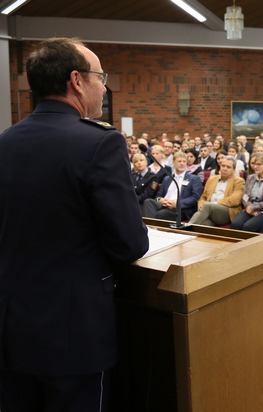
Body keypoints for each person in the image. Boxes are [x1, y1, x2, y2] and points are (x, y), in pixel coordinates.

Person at [0, 37, 149, 411]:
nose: (104, 86)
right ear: (76, 81)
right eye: (101, 77)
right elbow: (130, 244)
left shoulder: (5, 143)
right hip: (73, 333)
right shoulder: (99, 143)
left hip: (10, 327)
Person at [142, 151, 203, 221]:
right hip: (164, 205)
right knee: (148, 202)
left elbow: (195, 198)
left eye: (184, 161)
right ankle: (150, 228)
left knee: (161, 214)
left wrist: (177, 203)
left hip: (179, 208)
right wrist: (160, 200)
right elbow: (158, 196)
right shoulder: (167, 178)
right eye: (179, 161)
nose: (182, 163)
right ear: (173, 163)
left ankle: (150, 229)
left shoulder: (194, 178)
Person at [188, 157, 245, 227]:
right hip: (209, 211)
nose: (225, 169)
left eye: (228, 167)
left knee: (207, 206)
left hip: (227, 211)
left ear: (233, 170)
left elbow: (235, 200)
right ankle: (188, 234)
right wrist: (201, 206)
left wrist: (215, 203)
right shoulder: (212, 179)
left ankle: (184, 230)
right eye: (223, 166)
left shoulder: (239, 181)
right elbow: (203, 197)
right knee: (202, 224)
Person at [230, 155, 263, 233]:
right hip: (250, 208)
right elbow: (244, 196)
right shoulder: (250, 178)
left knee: (248, 226)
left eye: (258, 164)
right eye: (254, 164)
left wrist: (253, 207)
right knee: (235, 224)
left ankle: (251, 245)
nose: (255, 166)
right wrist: (249, 207)